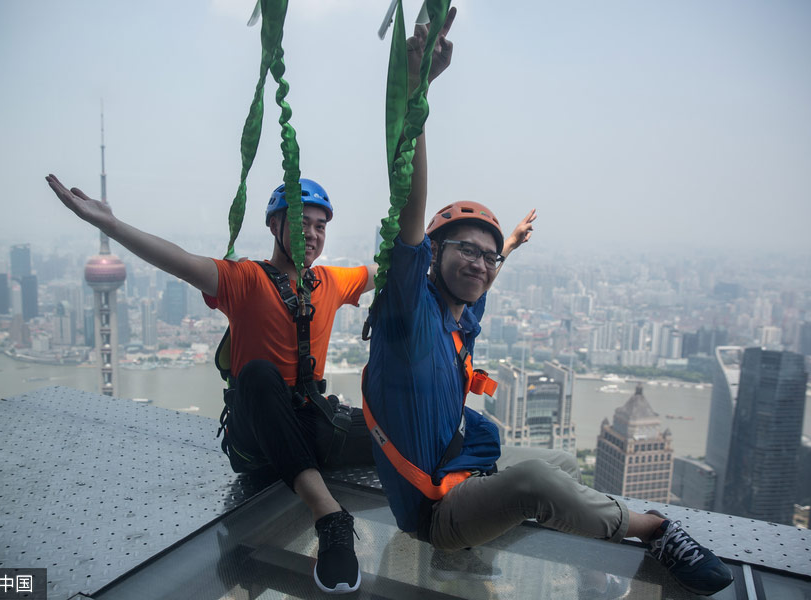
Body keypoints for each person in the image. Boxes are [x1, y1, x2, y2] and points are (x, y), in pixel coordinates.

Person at [362, 17, 734, 600]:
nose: (481, 264)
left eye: (489, 259)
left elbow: (482, 276)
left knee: (559, 458)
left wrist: (504, 246)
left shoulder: (459, 316)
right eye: (466, 251)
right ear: (431, 255)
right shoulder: (409, 313)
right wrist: (418, 96)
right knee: (537, 478)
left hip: (461, 465)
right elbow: (410, 205)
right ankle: (655, 532)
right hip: (434, 510)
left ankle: (565, 556)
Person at [46, 173, 374, 593]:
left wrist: (440, 246)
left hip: (308, 425)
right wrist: (110, 224)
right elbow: (178, 260)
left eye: (319, 226)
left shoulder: (329, 282)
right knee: (257, 374)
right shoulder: (244, 280)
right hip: (254, 439)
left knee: (402, 437)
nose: (310, 234)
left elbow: (384, 266)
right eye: (299, 222)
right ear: (274, 225)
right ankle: (329, 515)